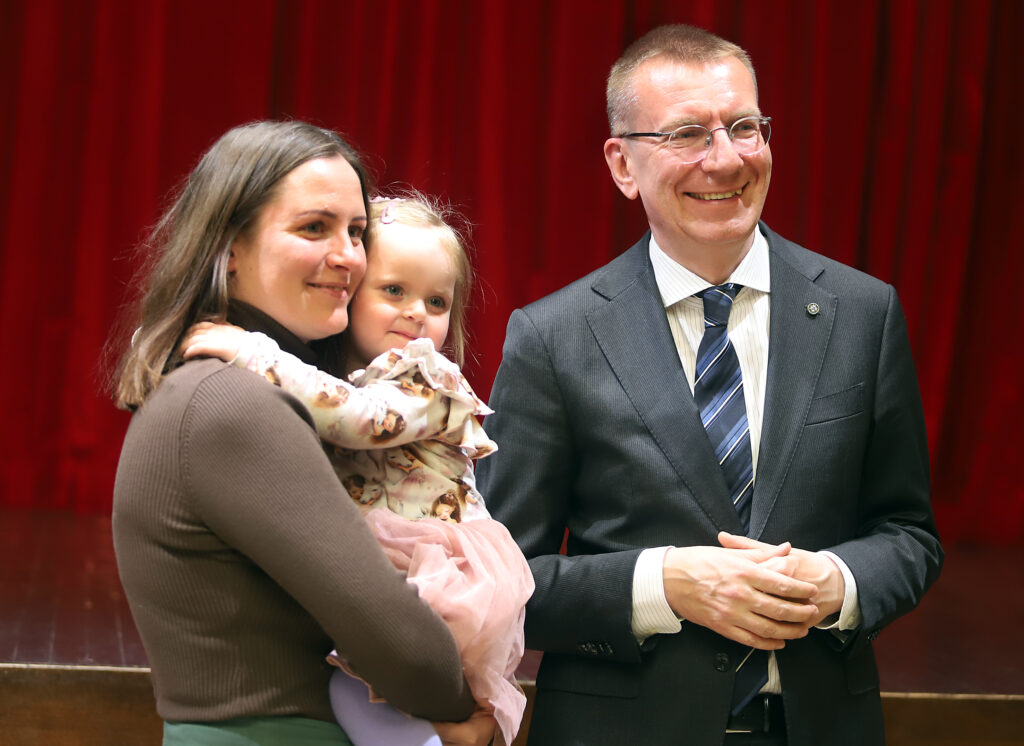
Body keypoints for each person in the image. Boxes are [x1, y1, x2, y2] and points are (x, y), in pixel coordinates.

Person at [476, 24, 943, 746]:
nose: (725, 159)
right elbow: (503, 580)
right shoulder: (553, 337)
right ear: (622, 164)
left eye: (744, 127)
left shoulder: (863, 313)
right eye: (687, 134)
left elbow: (910, 535)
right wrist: (662, 586)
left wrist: (839, 583)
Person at [111, 121, 493, 746]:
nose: (347, 256)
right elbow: (402, 645)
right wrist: (458, 713)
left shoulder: (218, 382)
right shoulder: (232, 400)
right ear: (229, 247)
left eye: (357, 232)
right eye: (314, 227)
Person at [180, 193, 533, 746]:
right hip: (389, 563)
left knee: (354, 690)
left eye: (437, 301)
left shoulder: (428, 379)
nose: (416, 312)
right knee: (353, 694)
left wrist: (249, 351)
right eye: (394, 291)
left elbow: (360, 419)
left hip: (438, 570)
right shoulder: (344, 374)